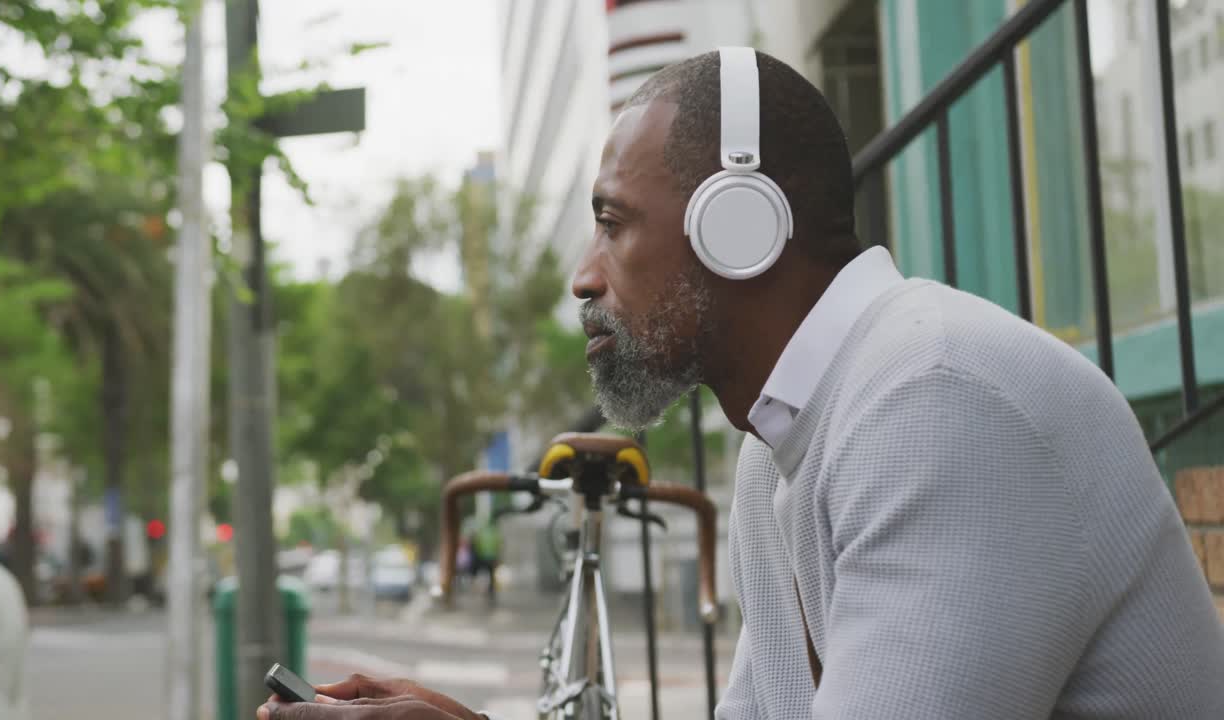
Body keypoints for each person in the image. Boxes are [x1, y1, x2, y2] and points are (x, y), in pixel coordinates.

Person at [257, 48, 1224, 720]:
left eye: (613, 221)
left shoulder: (939, 400)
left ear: (740, 225)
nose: (584, 275)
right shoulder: (782, 452)